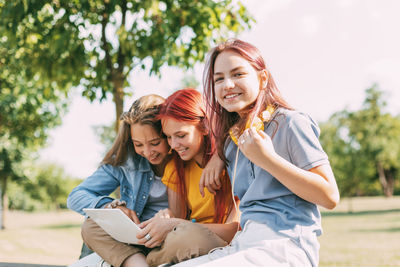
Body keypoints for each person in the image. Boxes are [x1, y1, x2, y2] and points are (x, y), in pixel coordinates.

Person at [174, 39, 340, 266]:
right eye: (219, 79)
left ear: (262, 79)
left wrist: (267, 159)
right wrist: (218, 156)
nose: (228, 85)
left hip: (286, 245)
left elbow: (330, 197)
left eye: (238, 74)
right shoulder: (232, 141)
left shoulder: (290, 122)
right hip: (244, 244)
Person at [137, 88, 239, 266]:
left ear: (205, 126)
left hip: (218, 243)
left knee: (187, 237)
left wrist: (178, 224)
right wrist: (166, 217)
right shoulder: (176, 168)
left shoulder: (231, 162)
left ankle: (144, 262)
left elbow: (234, 230)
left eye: (181, 135)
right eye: (168, 137)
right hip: (188, 239)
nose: (174, 145)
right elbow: (177, 217)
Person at [67, 94, 172, 267]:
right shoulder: (126, 162)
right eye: (138, 144)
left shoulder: (183, 158)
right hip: (132, 241)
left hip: (167, 237)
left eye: (154, 142)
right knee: (90, 226)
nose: (147, 152)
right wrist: (109, 206)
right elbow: (76, 196)